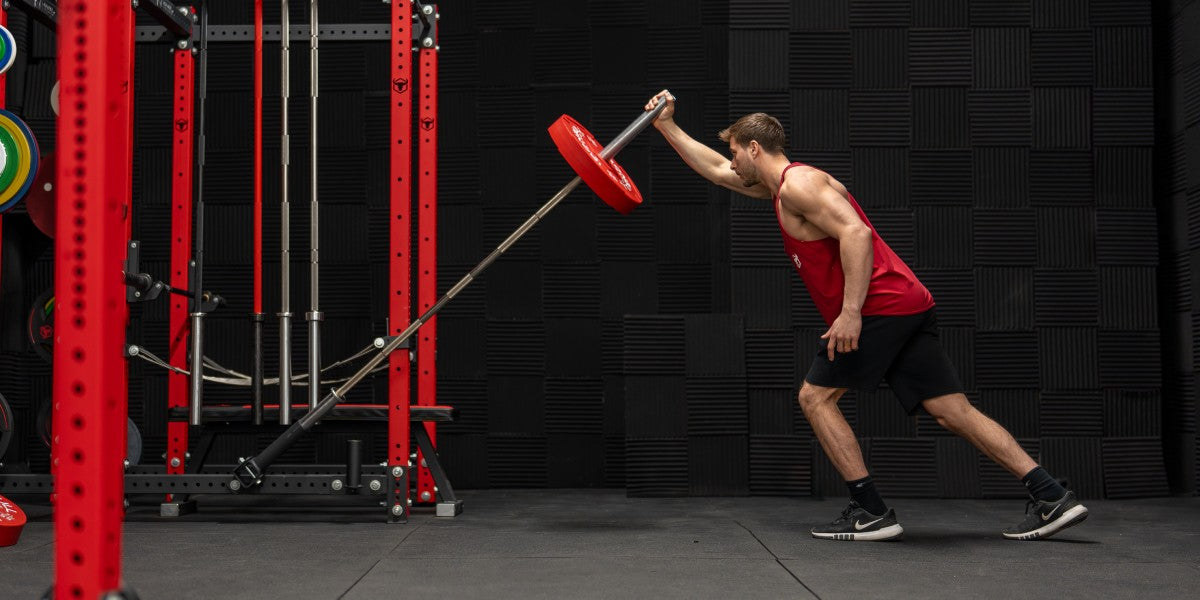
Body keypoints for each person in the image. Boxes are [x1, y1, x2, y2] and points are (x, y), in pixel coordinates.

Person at [644, 90, 1088, 541]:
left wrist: (851, 313)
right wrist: (667, 126)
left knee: (815, 398)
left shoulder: (801, 185)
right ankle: (1050, 495)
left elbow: (856, 233)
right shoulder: (782, 188)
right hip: (907, 302)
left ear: (754, 148)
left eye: (735, 150)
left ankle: (870, 510)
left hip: (880, 308)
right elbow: (718, 173)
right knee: (952, 410)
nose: (732, 160)